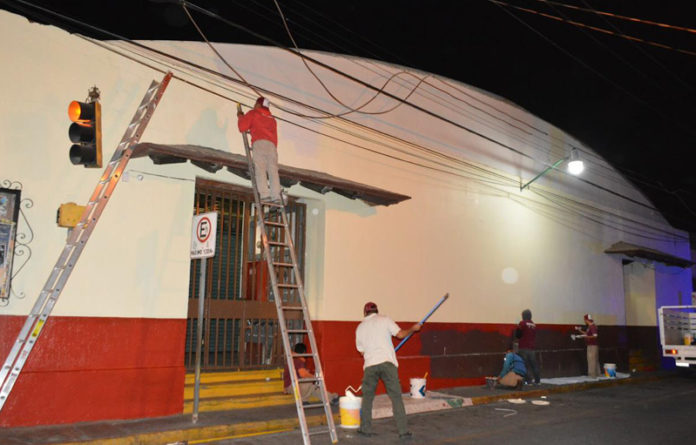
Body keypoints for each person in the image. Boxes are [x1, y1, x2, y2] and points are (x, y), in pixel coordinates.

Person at [355, 302, 422, 439]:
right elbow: (401, 335)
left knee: (367, 398)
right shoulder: (385, 319)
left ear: (365, 313)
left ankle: (365, 429)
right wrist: (413, 329)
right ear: (377, 311)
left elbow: (362, 352)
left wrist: (372, 351)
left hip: (370, 365)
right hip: (387, 363)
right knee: (396, 397)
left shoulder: (360, 328)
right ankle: (403, 432)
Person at [237, 97, 281, 202]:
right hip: (272, 146)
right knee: (273, 171)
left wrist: (240, 116)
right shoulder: (272, 119)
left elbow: (242, 127)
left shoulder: (254, 113)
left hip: (260, 143)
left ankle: (265, 195)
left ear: (258, 104)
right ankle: (276, 196)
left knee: (260, 169)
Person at [515, 309, 540, 385]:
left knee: (525, 365)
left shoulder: (522, 323)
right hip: (531, 348)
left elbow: (518, 335)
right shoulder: (533, 324)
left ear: (524, 316)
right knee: (534, 365)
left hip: (523, 347)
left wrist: (517, 328)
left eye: (522, 315)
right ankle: (537, 381)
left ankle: (529, 381)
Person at [574, 313, 600, 378]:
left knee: (591, 360)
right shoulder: (590, 326)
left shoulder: (592, 326)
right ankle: (597, 373)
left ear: (587, 320)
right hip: (592, 345)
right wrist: (580, 331)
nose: (584, 321)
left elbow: (595, 336)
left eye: (585, 320)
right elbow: (587, 333)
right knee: (595, 360)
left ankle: (592, 375)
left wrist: (586, 337)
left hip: (592, 346)